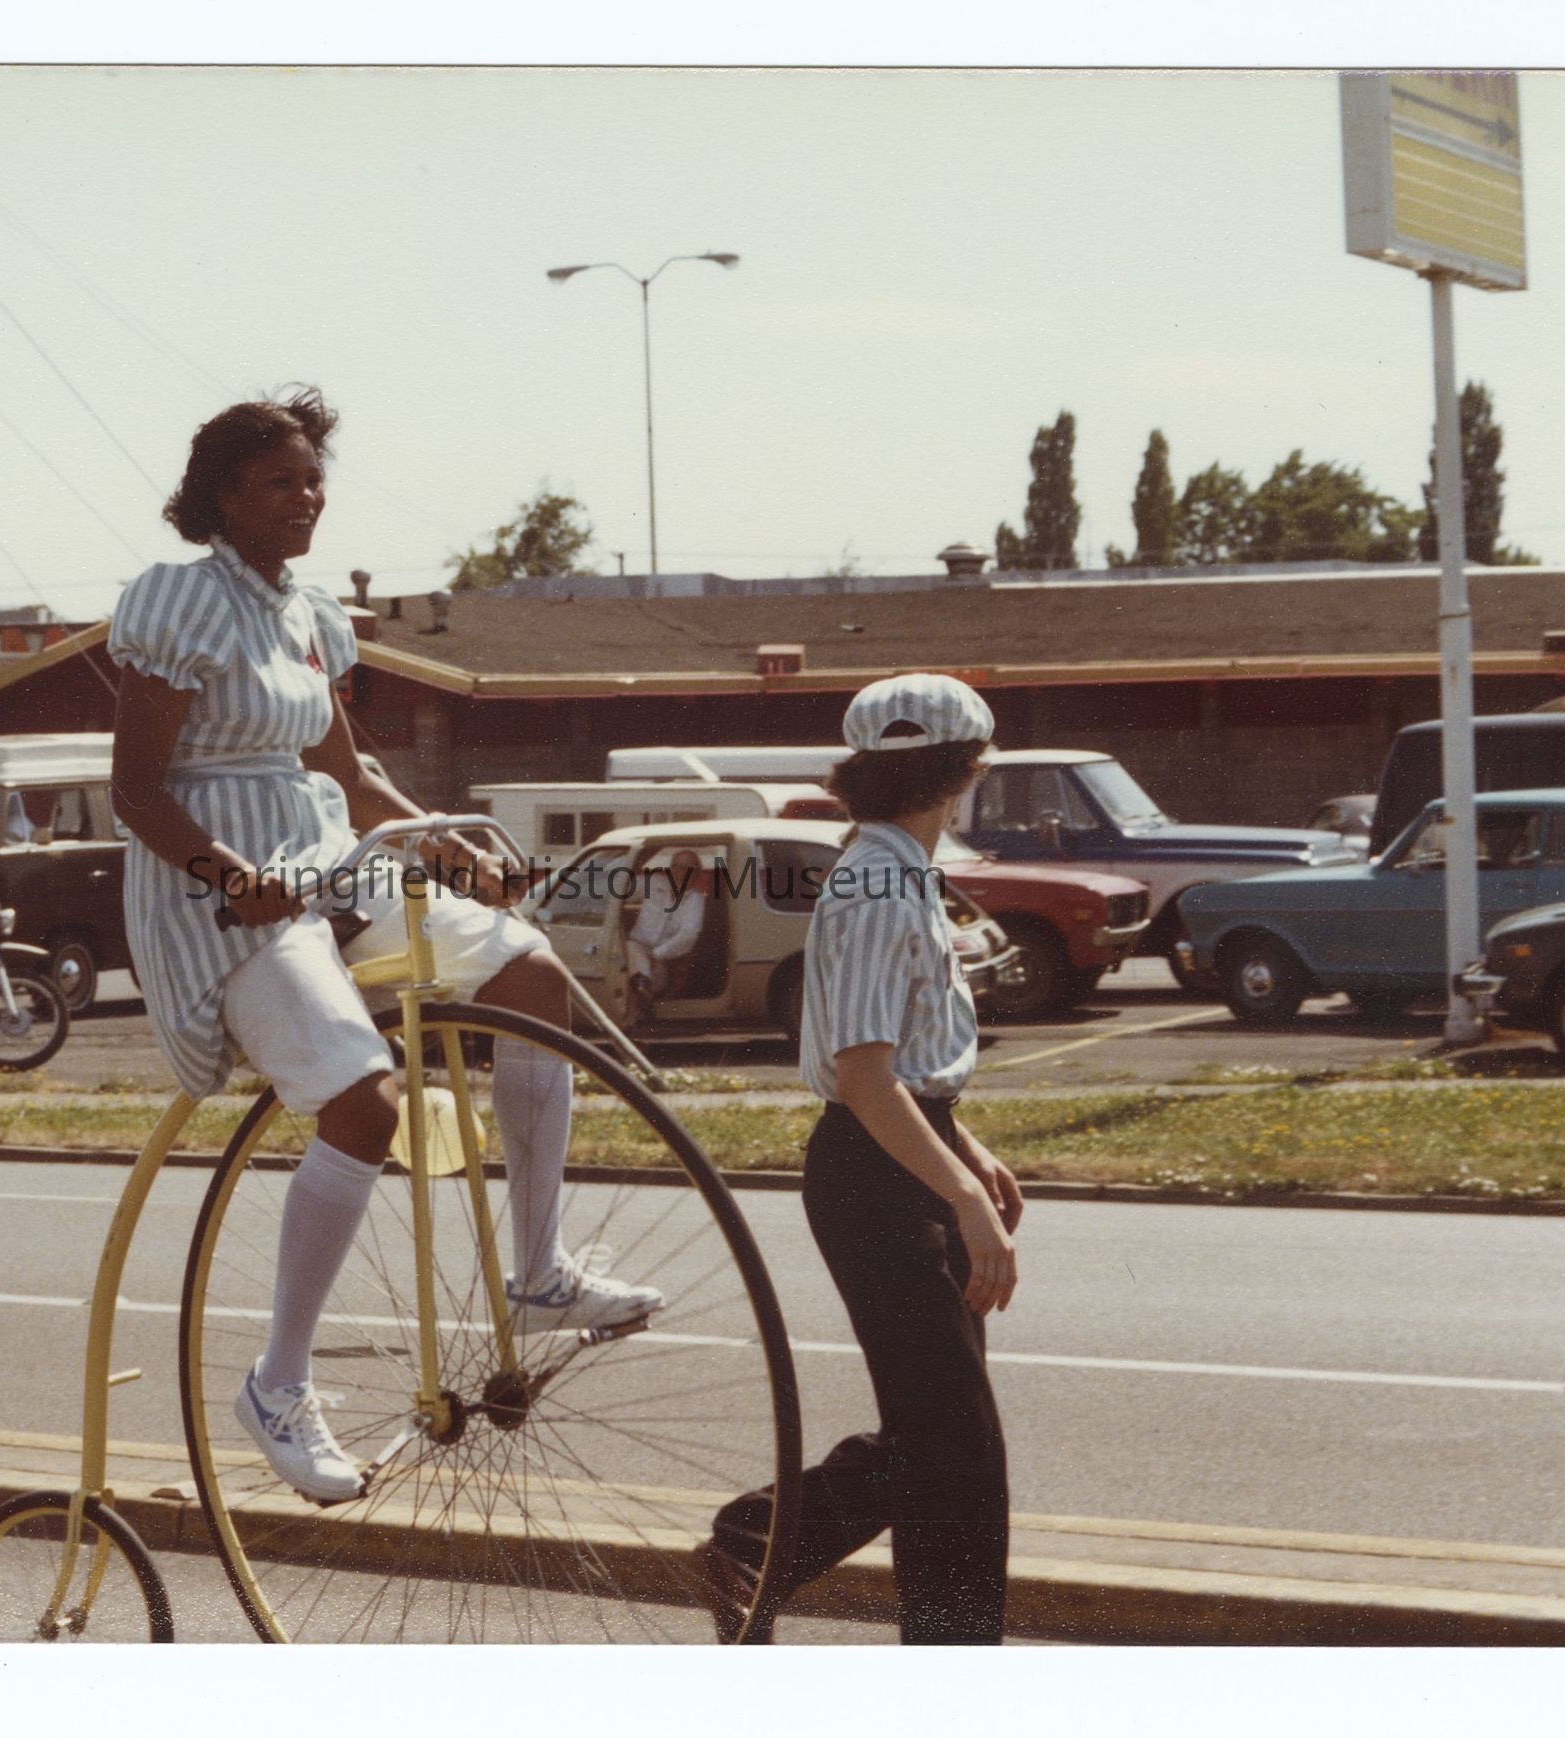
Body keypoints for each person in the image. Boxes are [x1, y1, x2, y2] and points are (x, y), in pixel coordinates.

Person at [109, 387, 662, 1504]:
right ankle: (277, 1384)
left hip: (330, 868)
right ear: (222, 497)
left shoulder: (309, 617)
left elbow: (345, 774)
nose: (307, 497)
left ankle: (540, 1271)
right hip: (219, 896)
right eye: (280, 481)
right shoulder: (178, 600)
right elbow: (135, 790)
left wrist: (445, 842)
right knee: (366, 1103)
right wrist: (233, 877)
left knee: (530, 972)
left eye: (314, 479)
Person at [701, 673, 1025, 1646]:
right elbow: (862, 1077)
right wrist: (963, 1195)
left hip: (899, 1156)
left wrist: (963, 1148)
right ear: (962, 773)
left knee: (943, 1442)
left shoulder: (892, 871)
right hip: (873, 1177)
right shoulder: (879, 886)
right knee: (954, 1450)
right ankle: (759, 1547)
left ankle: (760, 1547)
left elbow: (901, 1066)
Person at [624, 847, 709, 1023]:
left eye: (688, 868)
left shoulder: (695, 900)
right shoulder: (653, 882)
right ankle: (642, 989)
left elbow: (689, 935)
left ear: (695, 874)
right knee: (632, 947)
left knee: (651, 976)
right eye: (677, 866)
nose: (680, 872)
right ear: (670, 868)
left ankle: (642, 990)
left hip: (662, 960)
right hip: (638, 950)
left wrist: (656, 954)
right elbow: (622, 890)